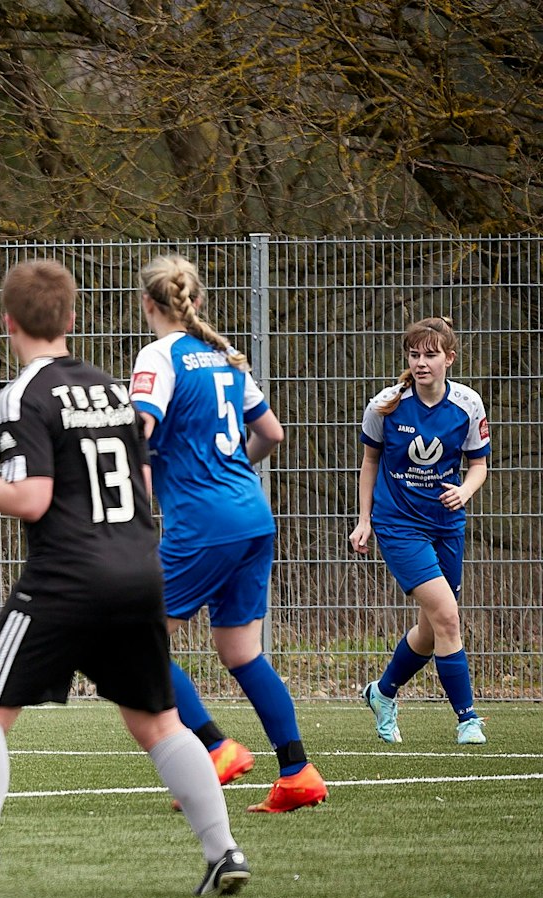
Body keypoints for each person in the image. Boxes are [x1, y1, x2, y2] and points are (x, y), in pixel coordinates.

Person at [0, 258, 249, 898]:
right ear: (71, 319)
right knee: (158, 722)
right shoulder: (114, 389)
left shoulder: (22, 395)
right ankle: (223, 851)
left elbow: (33, 498)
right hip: (138, 565)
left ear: (7, 321)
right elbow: (144, 484)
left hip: (67, 574)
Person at [130, 255, 327, 814]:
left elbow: (139, 438)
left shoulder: (157, 356)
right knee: (241, 651)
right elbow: (271, 433)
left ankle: (215, 747)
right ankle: (297, 773)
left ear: (149, 303)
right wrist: (234, 465)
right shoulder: (225, 357)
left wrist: (135, 516)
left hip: (203, 523)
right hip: (252, 515)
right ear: (196, 301)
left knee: (137, 640)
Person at [351, 317, 490, 744]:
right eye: (414, 354)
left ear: (449, 358)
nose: (421, 363)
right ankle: (467, 718)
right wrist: (364, 520)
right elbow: (369, 463)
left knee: (432, 630)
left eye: (430, 355)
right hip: (398, 524)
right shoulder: (386, 404)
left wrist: (464, 491)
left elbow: (479, 465)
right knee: (448, 617)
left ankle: (383, 691)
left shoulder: (468, 405)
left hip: (447, 525)